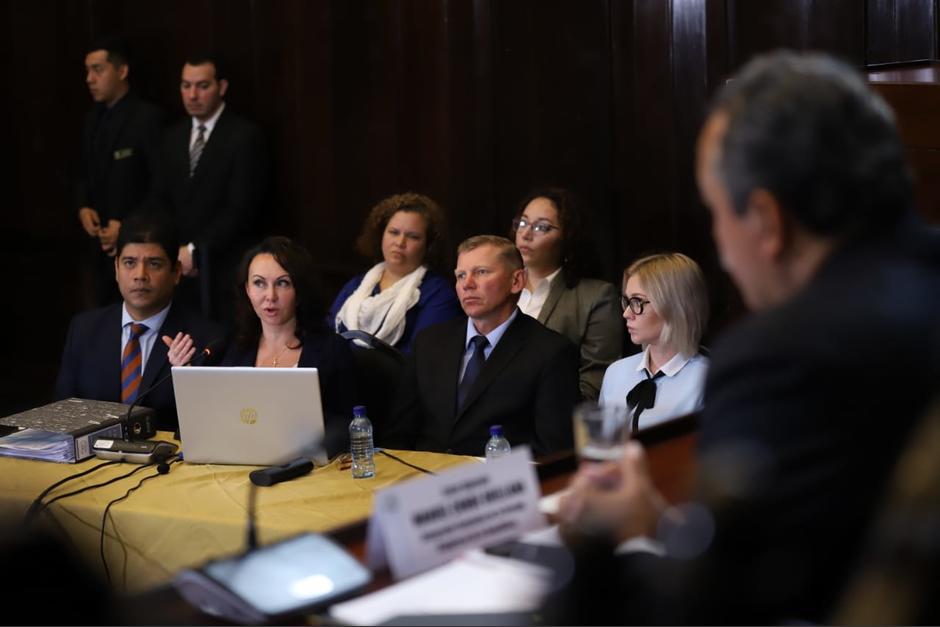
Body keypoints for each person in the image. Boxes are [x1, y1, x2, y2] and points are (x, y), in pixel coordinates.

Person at [551, 51, 940, 624]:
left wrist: (624, 542)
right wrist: (663, 522)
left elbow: (724, 609)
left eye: (715, 214)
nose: (724, 253)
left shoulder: (780, 359)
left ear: (765, 219)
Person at [383, 235, 580, 457]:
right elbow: (398, 436)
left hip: (500, 485)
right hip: (423, 479)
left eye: (481, 272)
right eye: (460, 275)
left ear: (516, 281)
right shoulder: (429, 342)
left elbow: (554, 452)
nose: (467, 284)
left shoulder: (552, 352)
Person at [166, 236, 357, 457]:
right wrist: (188, 376)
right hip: (241, 464)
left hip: (308, 471)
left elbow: (349, 427)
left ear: (300, 290)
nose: (270, 296)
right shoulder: (234, 347)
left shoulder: (332, 349)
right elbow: (214, 421)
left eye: (282, 283)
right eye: (259, 283)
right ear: (247, 289)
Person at [55, 213, 222, 430]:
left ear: (176, 272)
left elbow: (212, 426)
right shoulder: (84, 330)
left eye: (154, 264)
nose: (140, 275)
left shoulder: (207, 340)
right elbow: (60, 418)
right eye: (129, 263)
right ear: (116, 269)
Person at [149, 51, 266, 322]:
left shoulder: (245, 137)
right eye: (186, 86)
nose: (192, 95)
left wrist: (195, 250)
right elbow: (160, 198)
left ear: (221, 87)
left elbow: (241, 209)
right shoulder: (172, 137)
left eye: (202, 86)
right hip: (177, 269)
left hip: (225, 268)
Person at [76, 36, 164, 307]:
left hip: (137, 245)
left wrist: (127, 226)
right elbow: (81, 171)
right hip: (96, 245)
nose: (90, 78)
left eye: (98, 69)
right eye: (87, 71)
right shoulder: (93, 118)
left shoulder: (148, 119)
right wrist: (82, 206)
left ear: (122, 71)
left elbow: (160, 185)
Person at [512, 188, 623, 400]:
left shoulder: (596, 297)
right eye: (523, 223)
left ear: (567, 237)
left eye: (541, 227)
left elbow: (594, 384)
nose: (525, 234)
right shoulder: (498, 286)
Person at [329, 192, 462, 354]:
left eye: (413, 236)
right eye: (393, 232)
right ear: (381, 235)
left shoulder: (438, 293)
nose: (400, 243)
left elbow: (422, 355)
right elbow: (328, 335)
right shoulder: (357, 284)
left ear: (429, 245)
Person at [598, 253, 709, 432]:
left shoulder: (706, 380)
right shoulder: (616, 373)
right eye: (627, 301)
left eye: (637, 301)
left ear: (674, 306)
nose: (626, 313)